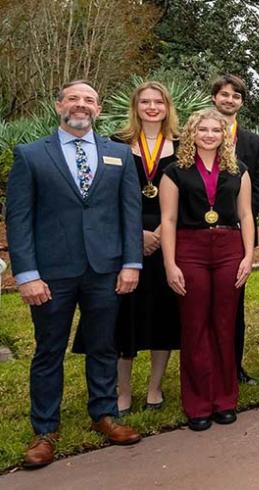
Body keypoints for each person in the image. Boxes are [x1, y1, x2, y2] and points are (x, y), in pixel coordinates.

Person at [8, 80, 144, 468]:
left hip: (105, 269)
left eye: (89, 100)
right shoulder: (32, 155)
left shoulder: (118, 154)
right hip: (52, 273)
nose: (81, 105)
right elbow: (18, 220)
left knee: (102, 345)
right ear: (59, 106)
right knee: (49, 351)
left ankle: (104, 414)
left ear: (98, 109)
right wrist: (27, 274)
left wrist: (131, 263)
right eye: (73, 99)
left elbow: (130, 213)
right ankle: (45, 430)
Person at [160, 108, 255, 430]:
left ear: (224, 135)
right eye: (204, 130)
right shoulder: (175, 171)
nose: (211, 135)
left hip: (230, 249)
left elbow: (246, 215)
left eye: (216, 130)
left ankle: (225, 399)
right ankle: (198, 403)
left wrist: (248, 256)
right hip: (191, 249)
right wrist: (170, 263)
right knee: (195, 325)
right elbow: (169, 220)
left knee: (225, 325)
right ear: (192, 133)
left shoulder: (238, 170)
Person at [111, 81, 181, 415]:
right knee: (125, 318)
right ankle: (122, 392)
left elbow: (193, 195)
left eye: (158, 102)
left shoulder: (182, 147)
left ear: (168, 107)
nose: (152, 108)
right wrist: (137, 233)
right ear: (135, 107)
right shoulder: (116, 145)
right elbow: (103, 198)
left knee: (163, 317)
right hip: (126, 239)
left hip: (170, 238)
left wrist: (160, 233)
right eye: (145, 102)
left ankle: (154, 388)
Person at [209, 75, 259, 386]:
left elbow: (258, 189)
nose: (229, 100)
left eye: (235, 96)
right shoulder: (196, 136)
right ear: (214, 98)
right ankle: (207, 368)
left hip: (236, 229)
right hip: (198, 230)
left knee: (234, 305)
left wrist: (244, 219)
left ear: (242, 102)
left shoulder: (253, 144)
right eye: (224, 94)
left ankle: (234, 366)